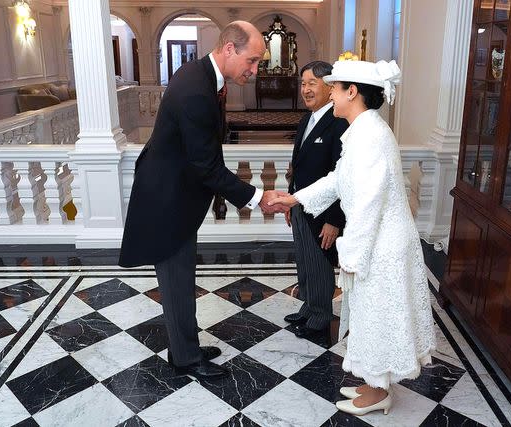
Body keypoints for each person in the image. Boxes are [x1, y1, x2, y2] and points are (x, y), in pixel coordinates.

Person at [119, 21, 286, 380]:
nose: (255, 71)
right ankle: (184, 360)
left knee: (181, 278)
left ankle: (186, 347)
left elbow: (205, 155)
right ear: (229, 49)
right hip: (167, 200)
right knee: (178, 282)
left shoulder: (201, 76)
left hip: (173, 192)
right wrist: (258, 197)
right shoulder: (197, 89)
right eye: (253, 61)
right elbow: (207, 166)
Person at [269, 59, 436, 415]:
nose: (330, 92)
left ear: (352, 92)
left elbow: (367, 204)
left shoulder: (370, 135)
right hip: (375, 240)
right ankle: (373, 382)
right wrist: (295, 197)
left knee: (376, 315)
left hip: (380, 244)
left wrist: (352, 255)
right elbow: (338, 180)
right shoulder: (360, 129)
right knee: (367, 314)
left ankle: (379, 393)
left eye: (335, 87)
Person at [283, 61, 348, 339]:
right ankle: (308, 308)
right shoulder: (305, 119)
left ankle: (321, 316)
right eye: (303, 83)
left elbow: (342, 176)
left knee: (320, 262)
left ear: (329, 86)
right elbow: (297, 165)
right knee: (304, 260)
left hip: (324, 211)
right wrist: (291, 198)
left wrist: (335, 220)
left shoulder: (338, 122)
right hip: (301, 204)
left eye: (312, 83)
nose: (305, 89)